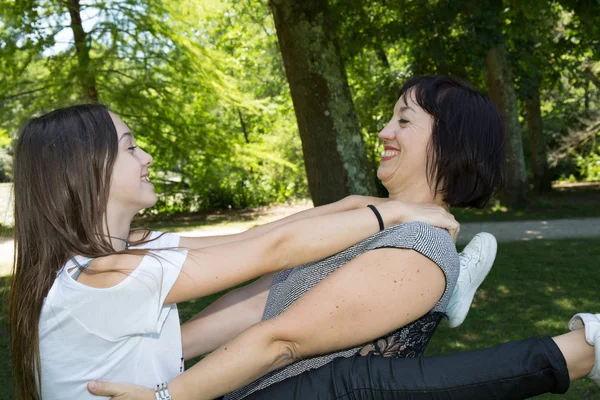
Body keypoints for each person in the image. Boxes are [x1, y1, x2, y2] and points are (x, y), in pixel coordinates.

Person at [87, 76, 599, 400]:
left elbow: (281, 340)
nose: (383, 131)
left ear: (450, 144)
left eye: (404, 120)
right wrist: (158, 353)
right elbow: (258, 301)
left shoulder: (421, 251)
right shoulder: (377, 221)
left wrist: (164, 398)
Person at [9, 101, 471, 400]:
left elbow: (258, 238)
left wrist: (363, 206)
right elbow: (277, 249)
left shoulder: (125, 254)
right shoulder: (112, 273)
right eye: (131, 148)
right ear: (87, 170)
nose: (147, 157)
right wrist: (393, 216)